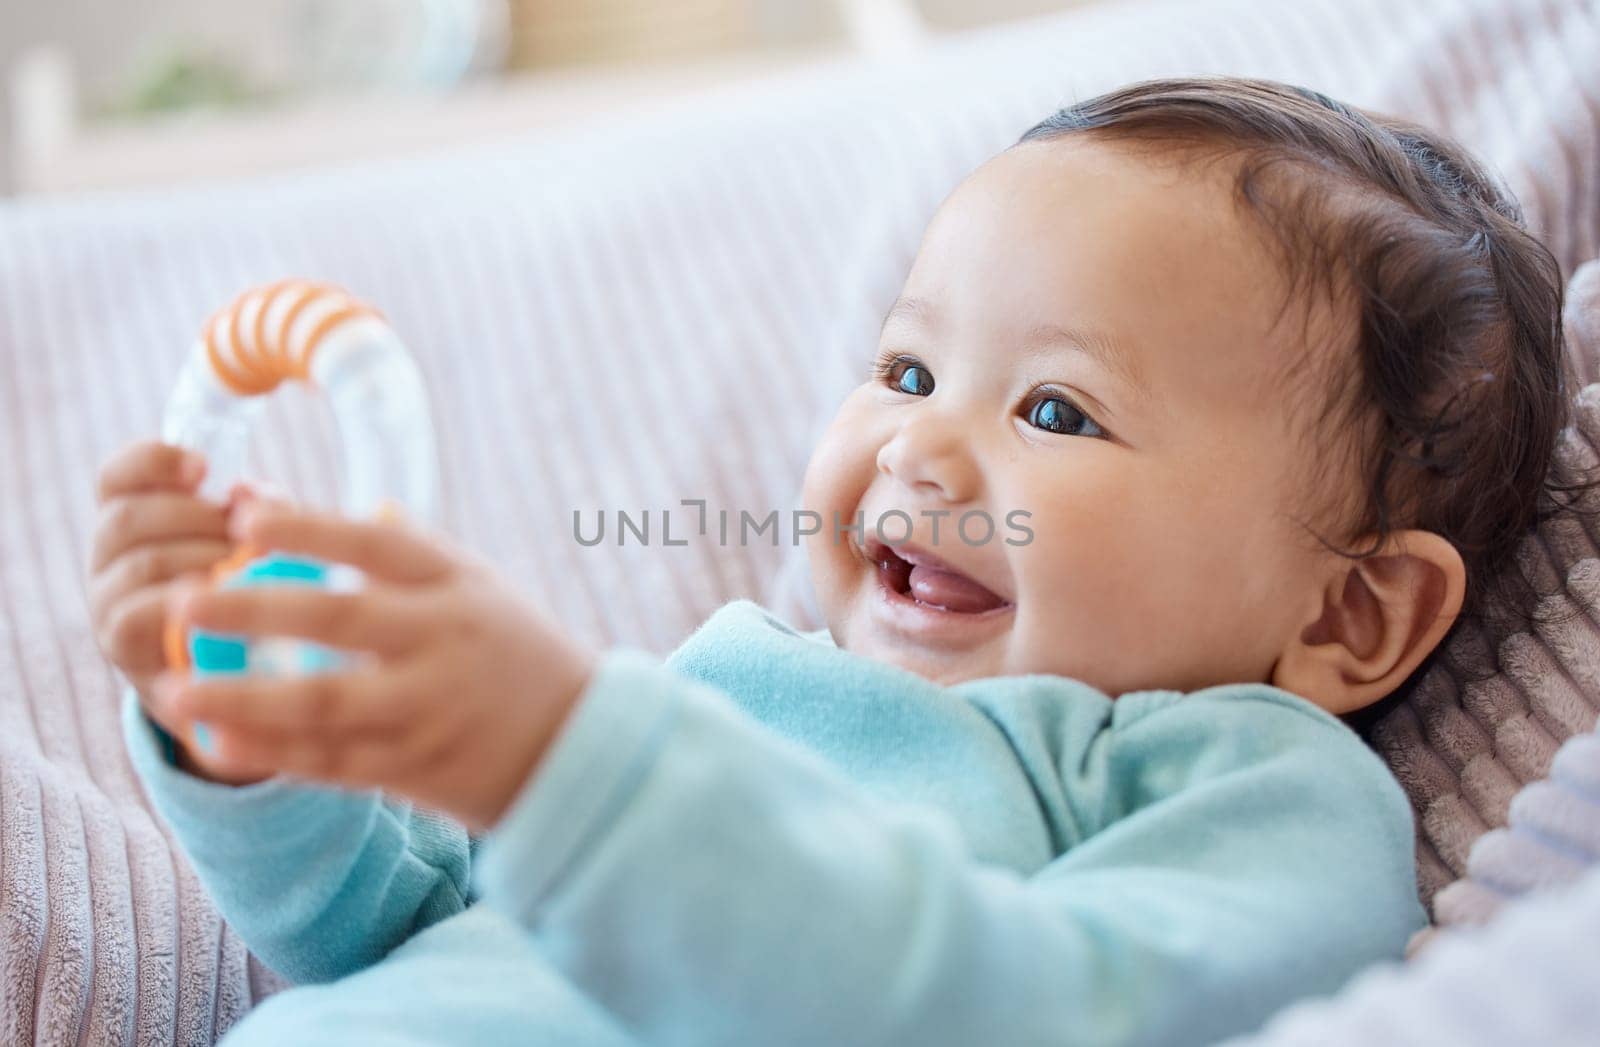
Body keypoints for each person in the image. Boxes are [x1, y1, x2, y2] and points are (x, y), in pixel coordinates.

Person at [87, 77, 1574, 1045]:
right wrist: (255, 738)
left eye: (1058, 409)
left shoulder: (1245, 787)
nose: (919, 452)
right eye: (908, 371)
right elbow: (398, 935)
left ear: (1349, 610)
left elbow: (1042, 1020)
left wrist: (566, 765)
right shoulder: (737, 675)